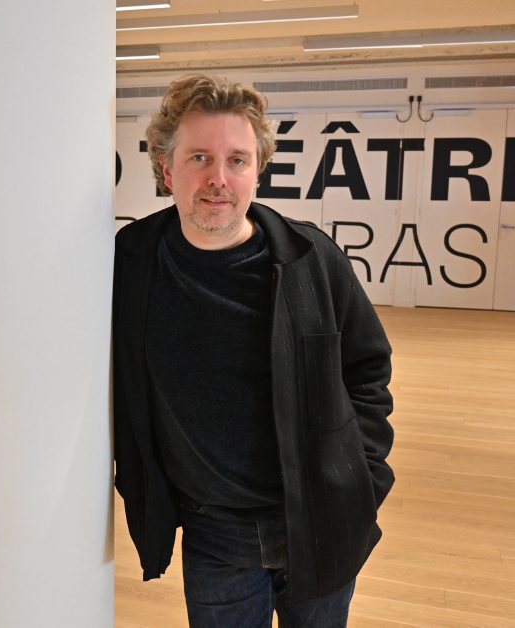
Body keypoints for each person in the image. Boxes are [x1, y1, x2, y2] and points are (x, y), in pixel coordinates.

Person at [113, 74, 395, 627]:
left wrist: (361, 480)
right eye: (199, 157)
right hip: (215, 534)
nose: (218, 179)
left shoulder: (313, 259)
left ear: (257, 170)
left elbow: (367, 370)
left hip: (322, 519)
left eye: (237, 160)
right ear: (167, 170)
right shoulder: (131, 262)